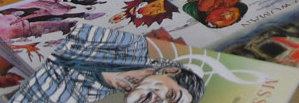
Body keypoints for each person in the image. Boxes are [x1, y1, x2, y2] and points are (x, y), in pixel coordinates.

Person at [16, 25, 206, 103]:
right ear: (170, 71)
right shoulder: (132, 46)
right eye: (171, 95)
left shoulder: (85, 97)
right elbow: (65, 28)